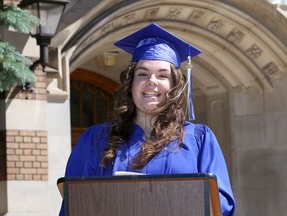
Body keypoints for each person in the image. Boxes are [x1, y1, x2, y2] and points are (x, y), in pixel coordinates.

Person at [59, 23, 235, 215]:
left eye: (162, 75)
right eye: (142, 74)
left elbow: (221, 206)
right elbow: (73, 205)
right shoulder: (95, 139)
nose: (152, 80)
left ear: (174, 86)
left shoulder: (198, 139)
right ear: (131, 84)